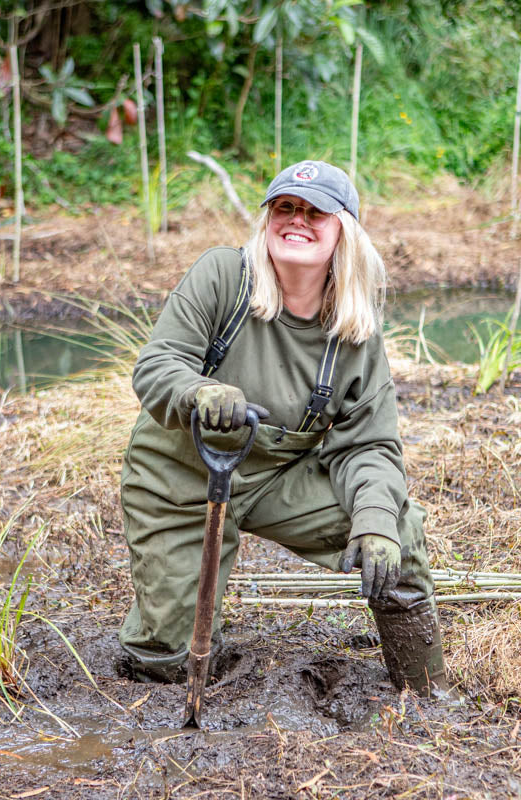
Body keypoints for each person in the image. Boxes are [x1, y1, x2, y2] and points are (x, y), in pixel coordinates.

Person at [118, 160, 448, 696]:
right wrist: (199, 393)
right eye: (285, 208)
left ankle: (426, 693)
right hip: (180, 479)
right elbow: (156, 366)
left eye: (317, 211)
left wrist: (373, 520)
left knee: (395, 532)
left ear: (345, 230)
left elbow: (369, 445)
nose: (298, 219)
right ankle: (164, 654)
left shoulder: (354, 330)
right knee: (169, 658)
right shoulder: (223, 276)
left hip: (276, 479)